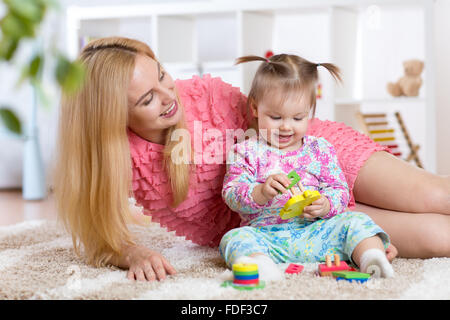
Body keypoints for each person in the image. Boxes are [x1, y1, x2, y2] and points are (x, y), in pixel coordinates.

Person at [54, 37, 450, 282]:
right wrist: (132, 253)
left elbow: (274, 113)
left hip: (315, 154)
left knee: (436, 196)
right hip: (272, 224)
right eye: (147, 98)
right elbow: (96, 232)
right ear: (112, 118)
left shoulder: (205, 93)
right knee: (438, 237)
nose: (167, 94)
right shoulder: (120, 157)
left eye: (162, 75)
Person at [219, 54, 394, 280]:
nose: (286, 127)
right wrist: (260, 192)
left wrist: (325, 205)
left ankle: (371, 258)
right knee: (234, 238)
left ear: (310, 112)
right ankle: (261, 266)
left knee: (356, 221)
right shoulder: (245, 151)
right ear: (255, 107)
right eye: (275, 117)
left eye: (298, 118)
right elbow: (232, 194)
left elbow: (340, 190)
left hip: (317, 233)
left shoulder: (320, 149)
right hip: (267, 238)